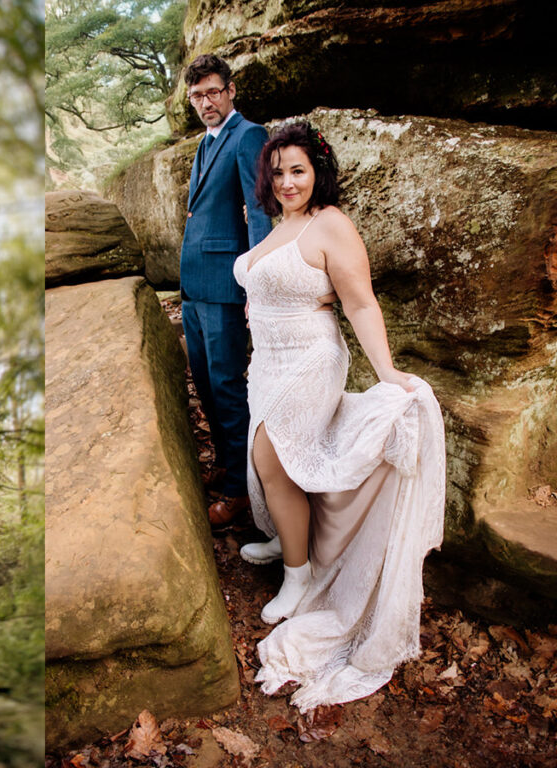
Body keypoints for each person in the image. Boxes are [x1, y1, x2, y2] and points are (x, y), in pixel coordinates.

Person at [233, 121, 446, 711]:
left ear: (317, 170)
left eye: (297, 169)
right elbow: (277, 284)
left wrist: (387, 374)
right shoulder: (281, 226)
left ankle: (300, 579)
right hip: (268, 363)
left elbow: (358, 301)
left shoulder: (332, 223)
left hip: (310, 359)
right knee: (270, 460)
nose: (286, 181)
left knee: (272, 460)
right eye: (277, 172)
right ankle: (287, 539)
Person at [179, 54, 274, 525]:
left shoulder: (248, 135)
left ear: (230, 90)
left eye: (213, 91)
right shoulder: (203, 144)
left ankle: (240, 492)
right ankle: (225, 463)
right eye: (197, 95)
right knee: (205, 384)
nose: (206, 102)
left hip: (225, 287)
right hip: (194, 288)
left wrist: (255, 286)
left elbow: (259, 214)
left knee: (227, 386)